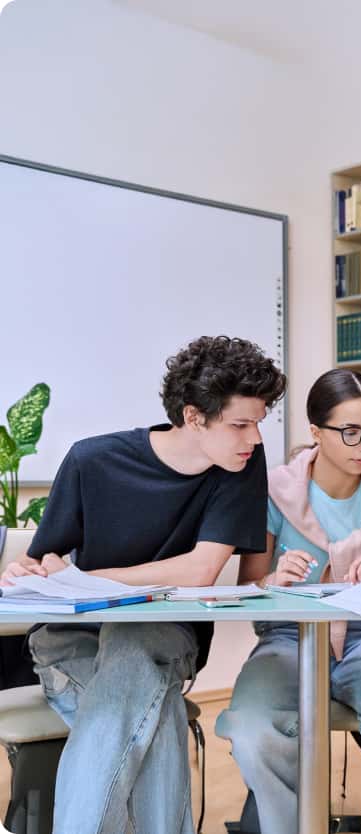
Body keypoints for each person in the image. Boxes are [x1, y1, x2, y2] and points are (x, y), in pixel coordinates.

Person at [1, 335, 286, 834]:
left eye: (258, 423)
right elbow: (36, 564)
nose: (254, 440)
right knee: (160, 716)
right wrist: (26, 572)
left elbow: (200, 570)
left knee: (135, 648)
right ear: (195, 415)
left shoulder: (240, 468)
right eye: (240, 424)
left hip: (163, 637)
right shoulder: (92, 461)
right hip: (73, 646)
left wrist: (83, 577)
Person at [216, 368, 361, 834]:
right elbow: (253, 584)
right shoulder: (274, 493)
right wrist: (277, 579)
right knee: (250, 729)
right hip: (288, 638)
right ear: (316, 432)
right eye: (351, 432)